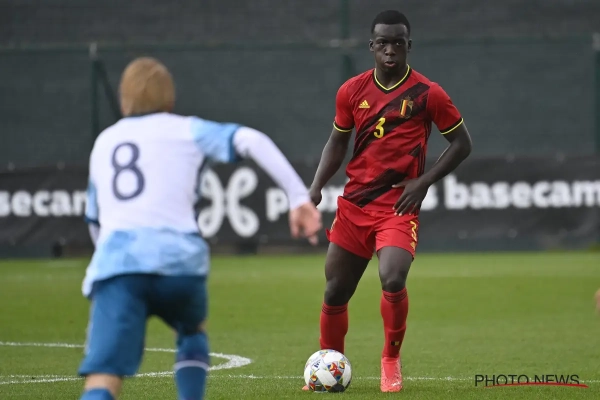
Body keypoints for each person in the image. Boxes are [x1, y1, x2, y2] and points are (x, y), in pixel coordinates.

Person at [78, 57, 322, 400]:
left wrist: (104, 269)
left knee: (103, 376)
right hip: (180, 263)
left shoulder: (105, 141)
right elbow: (251, 140)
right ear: (170, 100)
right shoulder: (187, 129)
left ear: (124, 100)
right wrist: (298, 198)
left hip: (119, 266)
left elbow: (95, 220)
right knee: (192, 332)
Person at [305, 10, 473, 393]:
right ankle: (329, 364)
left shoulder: (428, 93)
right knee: (334, 291)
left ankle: (390, 360)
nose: (390, 49)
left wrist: (424, 181)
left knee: (393, 278)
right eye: (383, 42)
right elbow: (337, 142)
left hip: (397, 208)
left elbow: (462, 143)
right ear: (372, 46)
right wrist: (316, 186)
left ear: (409, 45)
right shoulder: (351, 91)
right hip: (354, 207)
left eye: (398, 42)